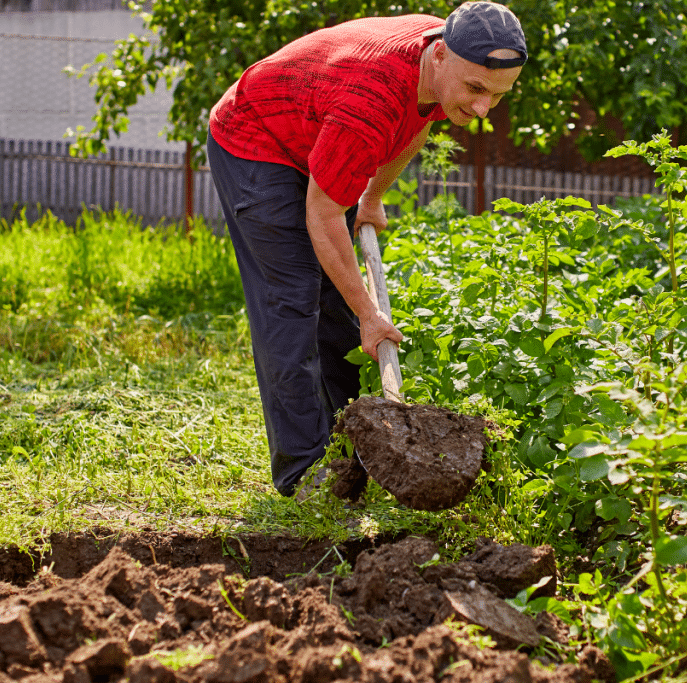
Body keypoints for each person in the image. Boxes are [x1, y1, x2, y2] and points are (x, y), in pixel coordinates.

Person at [207, 1, 526, 498]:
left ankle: (355, 449)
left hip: (317, 133)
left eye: (498, 95)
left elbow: (417, 122)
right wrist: (370, 314)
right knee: (293, 299)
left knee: (338, 301)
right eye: (476, 89)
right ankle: (303, 473)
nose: (484, 108)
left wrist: (372, 196)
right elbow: (323, 215)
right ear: (439, 55)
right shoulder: (370, 101)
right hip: (256, 139)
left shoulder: (437, 68)